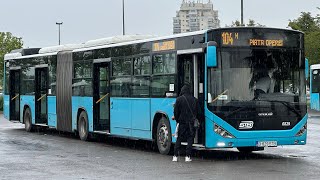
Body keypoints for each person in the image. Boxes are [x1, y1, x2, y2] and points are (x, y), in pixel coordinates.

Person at [172, 84, 200, 162]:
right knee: (190, 139)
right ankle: (187, 156)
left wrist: (178, 120)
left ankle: (175, 156)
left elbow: (176, 112)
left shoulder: (179, 99)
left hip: (182, 122)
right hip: (191, 123)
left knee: (179, 138)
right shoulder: (195, 100)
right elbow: (199, 112)